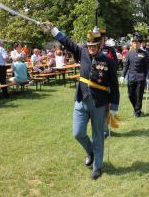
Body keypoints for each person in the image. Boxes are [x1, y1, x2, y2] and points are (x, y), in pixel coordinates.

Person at [41, 22, 120, 180]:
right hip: (81, 100)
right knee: (77, 133)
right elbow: (67, 42)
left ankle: (97, 167)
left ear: (99, 46)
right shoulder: (82, 52)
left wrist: (114, 106)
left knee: (98, 135)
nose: (90, 48)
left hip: (99, 103)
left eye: (93, 46)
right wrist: (53, 30)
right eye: (89, 45)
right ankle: (90, 151)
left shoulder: (109, 62)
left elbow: (114, 85)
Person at [121, 33, 149, 117]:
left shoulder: (144, 54)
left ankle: (137, 112)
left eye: (137, 43)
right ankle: (136, 108)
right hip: (131, 77)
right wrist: (123, 75)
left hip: (141, 78)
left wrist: (147, 77)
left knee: (139, 96)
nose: (135, 44)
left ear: (140, 44)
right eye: (134, 43)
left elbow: (147, 67)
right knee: (130, 95)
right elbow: (126, 66)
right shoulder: (129, 53)